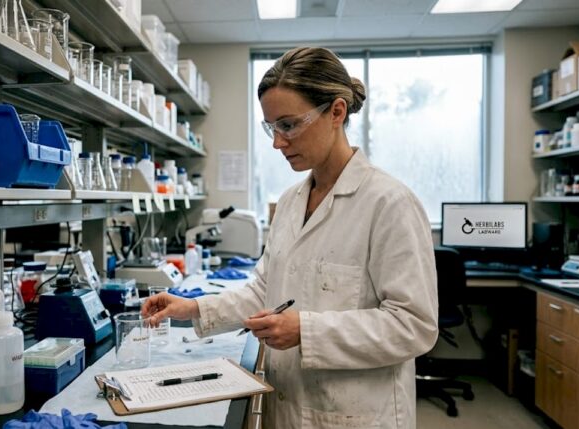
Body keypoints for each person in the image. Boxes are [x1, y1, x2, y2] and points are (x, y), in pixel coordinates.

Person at [141, 47, 438, 429]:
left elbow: (414, 325)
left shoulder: (389, 203)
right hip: (290, 405)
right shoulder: (290, 201)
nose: (277, 143)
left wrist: (306, 330)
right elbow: (266, 292)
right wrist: (193, 309)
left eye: (289, 125)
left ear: (336, 112)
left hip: (357, 414)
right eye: (271, 127)